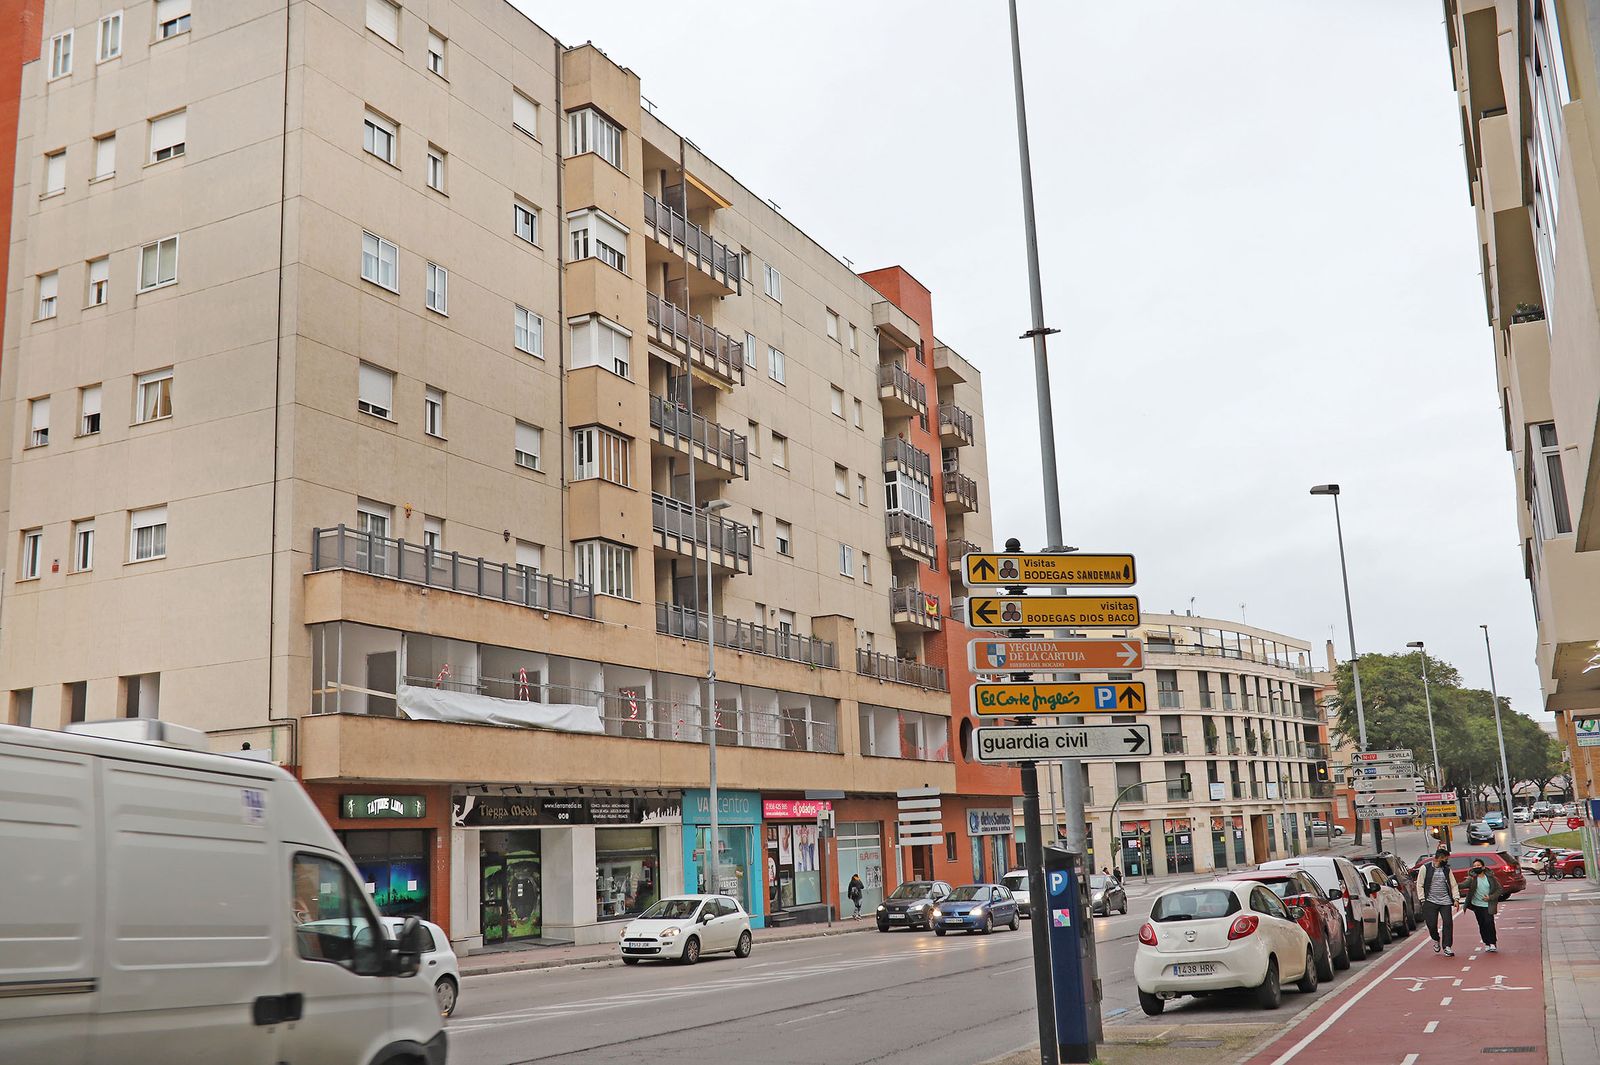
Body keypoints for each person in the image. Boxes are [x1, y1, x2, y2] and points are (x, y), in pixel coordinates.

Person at [1417, 848, 1461, 957]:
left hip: (1445, 901)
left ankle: (1447, 946)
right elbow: (1420, 884)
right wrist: (1422, 899)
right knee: (1431, 925)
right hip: (1430, 901)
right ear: (1439, 858)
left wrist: (1456, 898)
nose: (1446, 861)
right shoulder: (1425, 868)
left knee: (1448, 923)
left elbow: (1453, 884)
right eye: (1445, 859)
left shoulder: (1446, 870)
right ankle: (1436, 939)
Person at [1464, 858, 1502, 952]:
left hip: (1488, 905)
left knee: (1489, 922)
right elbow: (1463, 885)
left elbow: (1499, 889)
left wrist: (1490, 897)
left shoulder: (1490, 877)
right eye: (1475, 866)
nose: (1477, 867)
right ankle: (1487, 943)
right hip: (1477, 905)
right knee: (1482, 924)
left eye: (1478, 865)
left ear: (1483, 867)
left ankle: (1493, 943)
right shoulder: (1472, 878)